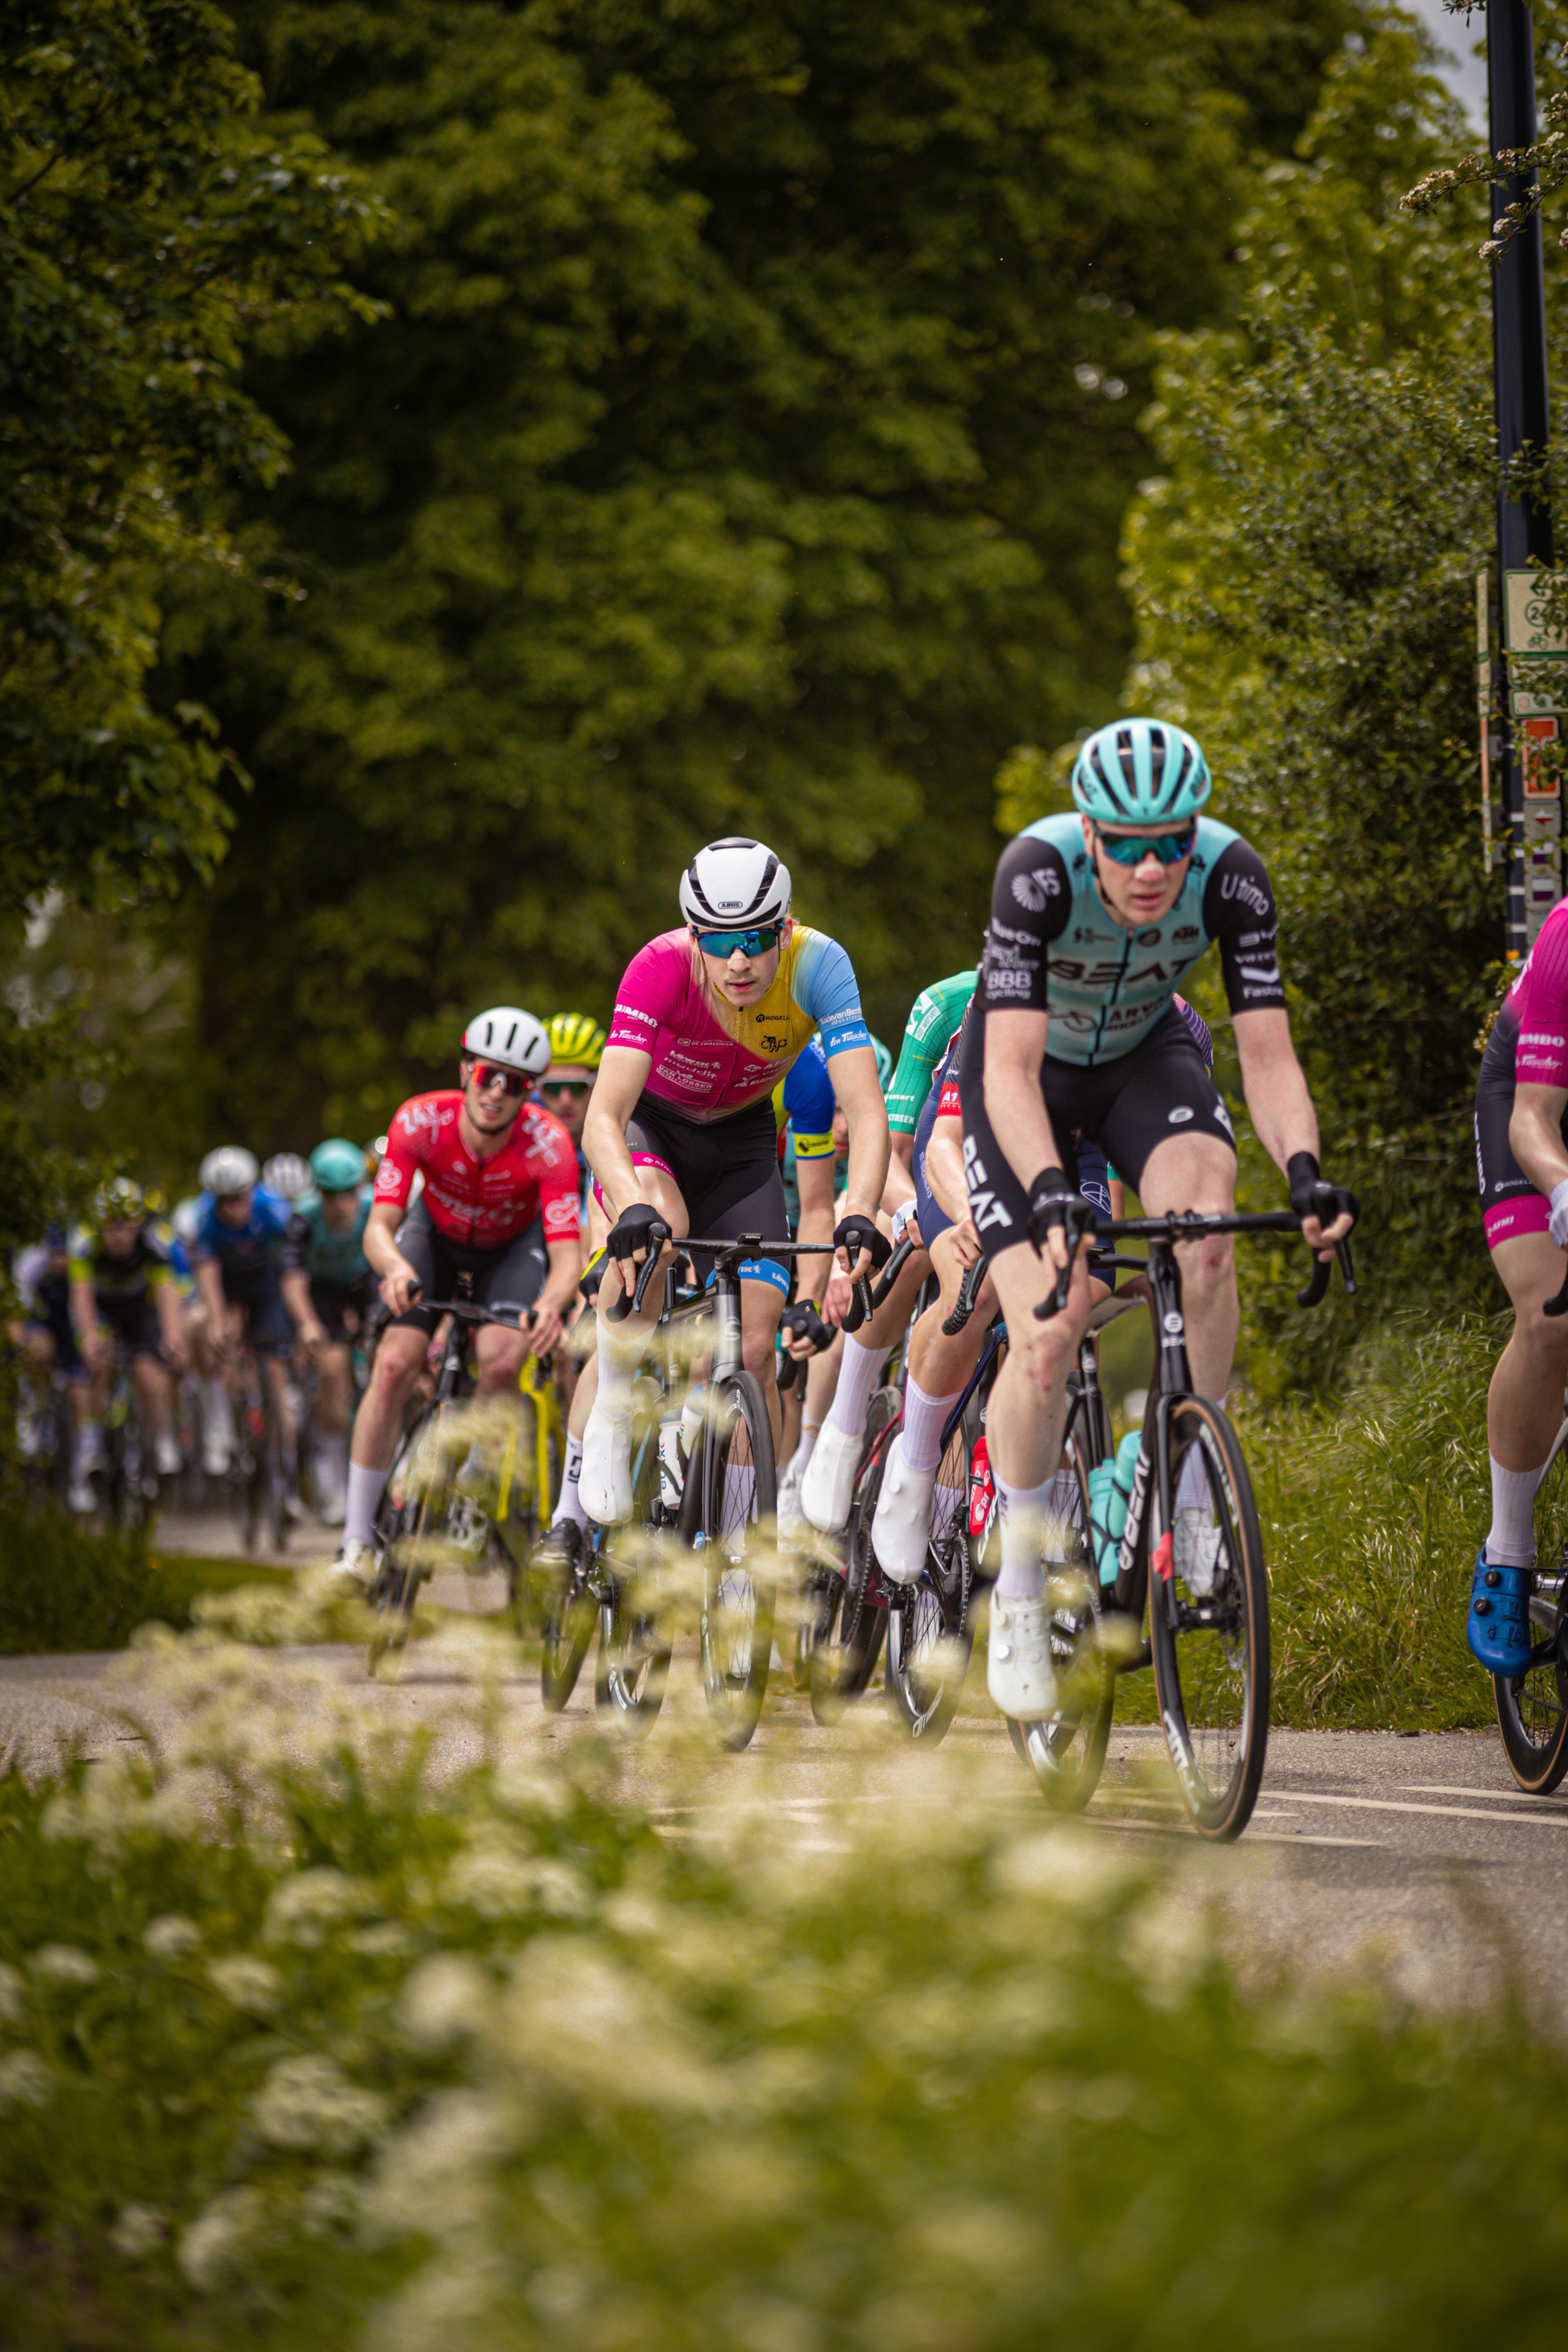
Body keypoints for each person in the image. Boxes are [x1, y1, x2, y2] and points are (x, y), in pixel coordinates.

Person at [959, 717, 1354, 1719]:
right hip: (1026, 1077)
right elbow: (1003, 1069)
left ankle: (1188, 1493)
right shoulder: (1035, 874)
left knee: (1207, 1248)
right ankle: (1016, 1586)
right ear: (1088, 833)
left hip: (1144, 1061)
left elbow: (1265, 1055)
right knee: (1046, 1333)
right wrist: (1049, 1185)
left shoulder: (1232, 878)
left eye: (1170, 840)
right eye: (1126, 845)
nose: (1149, 866)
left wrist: (1303, 1170)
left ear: (1194, 832)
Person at [576, 837, 890, 1527]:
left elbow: (866, 1111)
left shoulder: (820, 964)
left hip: (743, 1141)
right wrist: (627, 1202)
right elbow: (604, 1113)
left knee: (753, 1342)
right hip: (654, 1129)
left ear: (784, 927)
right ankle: (614, 1402)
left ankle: (740, 1542)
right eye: (718, 943)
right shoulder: (659, 966)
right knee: (661, 1226)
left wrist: (859, 1208)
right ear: (694, 936)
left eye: (754, 937)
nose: (739, 960)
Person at [332, 1007, 584, 1584]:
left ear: (530, 1092)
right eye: (486, 1075)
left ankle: (474, 1481)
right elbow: (379, 1227)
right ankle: (354, 1543)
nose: (496, 1092)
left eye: (514, 1083)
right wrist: (394, 1269)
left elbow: (567, 1255)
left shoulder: (548, 1145)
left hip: (509, 1252)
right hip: (434, 1242)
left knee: (502, 1361)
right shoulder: (420, 1121)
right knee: (393, 1366)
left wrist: (549, 1304)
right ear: (466, 1069)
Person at [1470, 896, 1568, 1671]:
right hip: (1534, 1104)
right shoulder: (1566, 930)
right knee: (1548, 1317)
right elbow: (1532, 1116)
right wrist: (1562, 1188)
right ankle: (1506, 1547)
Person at [66, 1180, 187, 1508]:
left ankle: (158, 1440)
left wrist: (173, 1338)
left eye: (126, 1226)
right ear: (99, 1224)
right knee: (99, 1362)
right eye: (111, 1226)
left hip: (138, 1313)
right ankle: (92, 1441)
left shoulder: (153, 1242)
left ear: (137, 1223)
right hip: (102, 1311)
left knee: (150, 1376)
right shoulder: (84, 1243)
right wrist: (90, 1338)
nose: (119, 1234)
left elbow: (166, 1293)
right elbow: (81, 1296)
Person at [190, 1147, 305, 1490]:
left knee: (274, 1370)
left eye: (238, 1198)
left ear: (250, 1192)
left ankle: (287, 1469)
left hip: (265, 1284)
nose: (231, 1208)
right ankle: (224, 1423)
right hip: (227, 1286)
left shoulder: (272, 1209)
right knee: (211, 1334)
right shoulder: (205, 1217)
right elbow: (207, 1272)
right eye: (223, 1201)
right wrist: (216, 1320)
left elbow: (291, 1264)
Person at [282, 1138, 376, 1526]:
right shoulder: (303, 1218)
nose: (341, 1205)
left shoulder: (375, 1207)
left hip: (366, 1283)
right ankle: (332, 1482)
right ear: (318, 1193)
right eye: (331, 1195)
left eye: (349, 1193)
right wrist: (306, 1324)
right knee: (333, 1371)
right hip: (323, 1294)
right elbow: (292, 1277)